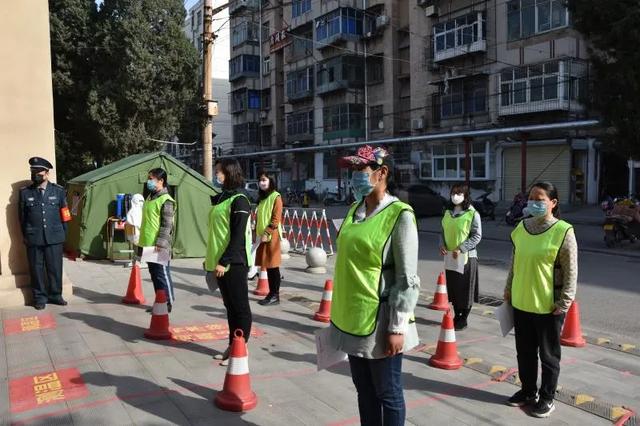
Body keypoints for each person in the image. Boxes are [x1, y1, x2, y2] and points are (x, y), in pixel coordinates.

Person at [329, 146, 420, 426]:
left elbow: (407, 279)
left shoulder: (400, 215)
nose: (356, 177)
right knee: (364, 391)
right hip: (352, 317)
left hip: (381, 322)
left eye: (362, 171)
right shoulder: (355, 209)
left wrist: (397, 328)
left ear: (382, 173)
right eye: (353, 171)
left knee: (388, 393)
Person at [504, 181, 578, 418]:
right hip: (521, 302)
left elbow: (571, 271)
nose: (534, 203)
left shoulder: (563, 231)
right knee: (524, 352)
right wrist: (508, 289)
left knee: (548, 356)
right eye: (531, 198)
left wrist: (564, 301)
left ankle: (547, 398)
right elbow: (514, 263)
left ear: (553, 203)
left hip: (548, 307)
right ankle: (527, 391)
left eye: (540, 199)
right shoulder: (521, 228)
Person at [205, 159, 253, 365]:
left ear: (229, 173)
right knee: (230, 307)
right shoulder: (223, 198)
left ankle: (240, 350)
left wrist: (224, 261)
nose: (217, 175)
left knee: (240, 307)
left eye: (219, 172)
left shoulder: (240, 200)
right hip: (220, 261)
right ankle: (233, 345)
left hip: (234, 262)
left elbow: (237, 236)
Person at [19, 157, 70, 310]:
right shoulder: (25, 193)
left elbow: (65, 216)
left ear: (47, 174)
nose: (35, 174)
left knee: (55, 268)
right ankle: (39, 298)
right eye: (33, 171)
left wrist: (62, 235)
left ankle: (56, 295)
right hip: (34, 238)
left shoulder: (59, 191)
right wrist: (27, 235)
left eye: (38, 172)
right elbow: (22, 218)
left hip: (54, 237)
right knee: (36, 269)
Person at [439, 183, 482, 330]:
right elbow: (442, 232)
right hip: (451, 258)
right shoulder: (447, 212)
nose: (455, 196)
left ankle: (463, 318)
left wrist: (462, 248)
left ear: (465, 196)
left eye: (459, 193)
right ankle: (456, 315)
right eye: (453, 193)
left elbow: (477, 236)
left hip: (466, 258)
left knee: (465, 289)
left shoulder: (472, 213)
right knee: (454, 288)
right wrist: (442, 245)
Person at [138, 169, 176, 312]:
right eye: (149, 178)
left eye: (151, 179)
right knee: (154, 275)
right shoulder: (150, 197)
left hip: (159, 245)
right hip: (148, 243)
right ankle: (159, 301)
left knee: (162, 274)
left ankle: (167, 302)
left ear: (161, 181)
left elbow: (167, 224)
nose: (149, 181)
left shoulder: (166, 200)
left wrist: (160, 243)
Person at [254, 171, 283, 306]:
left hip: (272, 236)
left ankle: (274, 295)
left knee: (273, 266)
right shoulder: (262, 198)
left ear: (271, 181)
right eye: (260, 180)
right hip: (263, 235)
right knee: (268, 266)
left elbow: (276, 219)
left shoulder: (276, 197)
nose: (262, 183)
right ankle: (271, 293)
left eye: (264, 180)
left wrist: (267, 232)